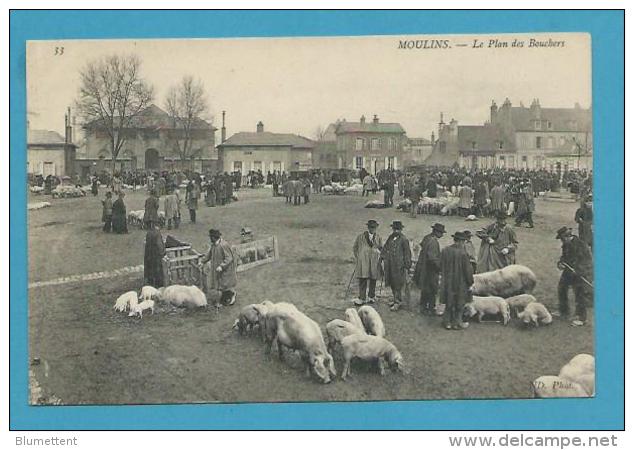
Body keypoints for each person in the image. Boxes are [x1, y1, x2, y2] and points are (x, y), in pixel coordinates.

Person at [554, 227, 593, 326]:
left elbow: (587, 261)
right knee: (562, 288)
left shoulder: (581, 245)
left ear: (567, 236)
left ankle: (582, 318)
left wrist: (579, 270)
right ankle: (564, 311)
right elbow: (564, 257)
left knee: (579, 294)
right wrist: (560, 263)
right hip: (569, 271)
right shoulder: (566, 245)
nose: (561, 241)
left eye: (562, 239)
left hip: (580, 273)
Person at [439, 231, 474, 330]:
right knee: (459, 303)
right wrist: (470, 282)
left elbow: (440, 265)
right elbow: (468, 270)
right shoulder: (463, 253)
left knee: (449, 302)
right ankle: (457, 323)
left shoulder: (445, 250)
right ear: (461, 241)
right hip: (460, 282)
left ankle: (447, 322)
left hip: (447, 281)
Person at [200, 229, 238, 306]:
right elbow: (209, 255)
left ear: (214, 237)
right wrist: (202, 261)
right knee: (220, 285)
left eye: (211, 237)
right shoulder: (213, 245)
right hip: (217, 270)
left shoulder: (223, 245)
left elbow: (229, 258)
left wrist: (222, 266)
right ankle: (223, 299)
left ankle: (232, 295)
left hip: (226, 270)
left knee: (226, 285)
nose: (210, 239)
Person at [413, 223, 445, 315]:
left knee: (425, 289)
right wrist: (440, 267)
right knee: (432, 289)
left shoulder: (427, 238)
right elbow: (432, 258)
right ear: (437, 232)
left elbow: (423, 246)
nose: (442, 235)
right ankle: (430, 308)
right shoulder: (434, 242)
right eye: (441, 233)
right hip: (430, 270)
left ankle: (423, 307)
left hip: (423, 267)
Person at [380, 221, 412, 312]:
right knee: (392, 283)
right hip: (390, 264)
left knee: (398, 284)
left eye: (398, 229)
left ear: (401, 230)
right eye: (395, 229)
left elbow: (407, 253)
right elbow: (385, 247)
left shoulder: (404, 239)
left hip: (399, 266)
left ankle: (398, 302)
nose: (396, 231)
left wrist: (407, 265)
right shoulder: (391, 237)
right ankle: (395, 299)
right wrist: (382, 256)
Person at [352, 220, 383, 306]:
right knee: (363, 278)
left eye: (374, 227)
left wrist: (380, 255)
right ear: (368, 227)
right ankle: (362, 298)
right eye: (371, 227)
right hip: (364, 261)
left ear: (376, 228)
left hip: (374, 261)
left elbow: (381, 248)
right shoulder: (361, 237)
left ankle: (371, 296)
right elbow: (355, 248)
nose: (372, 229)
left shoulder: (378, 237)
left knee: (373, 278)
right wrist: (358, 257)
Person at [143, 221, 166, 287]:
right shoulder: (157, 233)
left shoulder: (148, 233)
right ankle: (159, 284)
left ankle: (150, 282)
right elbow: (160, 245)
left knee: (150, 269)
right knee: (157, 270)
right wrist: (163, 252)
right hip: (156, 255)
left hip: (149, 255)